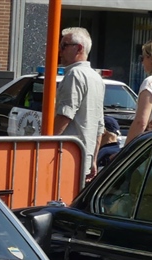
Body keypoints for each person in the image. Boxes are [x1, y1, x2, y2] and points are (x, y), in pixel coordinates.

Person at [54, 26, 105, 182]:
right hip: (85, 156)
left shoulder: (74, 74)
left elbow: (65, 115)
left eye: (64, 46)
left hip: (67, 154)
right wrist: (94, 159)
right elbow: (99, 125)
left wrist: (47, 143)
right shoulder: (97, 78)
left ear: (79, 48)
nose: (60, 51)